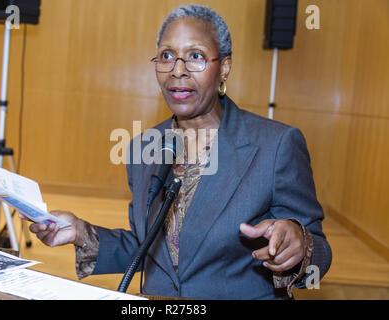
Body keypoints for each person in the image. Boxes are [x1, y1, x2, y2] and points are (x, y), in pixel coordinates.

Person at [20, 4, 332, 299]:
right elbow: (150, 249)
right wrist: (80, 232)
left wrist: (299, 244)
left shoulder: (275, 145)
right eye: (166, 56)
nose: (177, 70)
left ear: (224, 66)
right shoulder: (143, 147)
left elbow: (319, 251)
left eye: (195, 56)